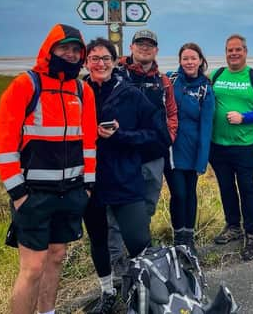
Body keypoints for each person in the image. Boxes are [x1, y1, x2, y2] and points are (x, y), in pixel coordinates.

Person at [0, 24, 97, 314]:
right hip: (34, 194)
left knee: (56, 256)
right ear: (50, 49)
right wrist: (18, 193)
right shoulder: (25, 85)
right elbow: (3, 145)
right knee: (33, 267)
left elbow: (89, 142)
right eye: (64, 48)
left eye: (77, 50)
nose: (71, 54)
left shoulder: (82, 90)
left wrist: (87, 186)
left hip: (71, 191)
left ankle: (47, 312)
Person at [82, 38, 171, 313]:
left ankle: (150, 299)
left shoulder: (131, 94)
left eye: (106, 58)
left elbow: (160, 136)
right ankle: (108, 293)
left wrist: (122, 135)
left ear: (115, 61)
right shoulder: (78, 93)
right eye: (94, 58)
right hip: (89, 182)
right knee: (99, 242)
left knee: (139, 242)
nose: (100, 63)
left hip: (125, 180)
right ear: (86, 62)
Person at [110, 29, 177, 274]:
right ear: (131, 47)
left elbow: (171, 113)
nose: (145, 48)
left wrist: (167, 139)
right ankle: (116, 263)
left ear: (156, 50)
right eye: (140, 43)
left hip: (152, 156)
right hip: (121, 156)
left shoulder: (163, 80)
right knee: (117, 208)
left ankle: (139, 255)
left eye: (150, 44)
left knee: (147, 206)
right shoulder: (116, 74)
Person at [209, 34, 253, 261]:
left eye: (237, 50)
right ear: (225, 52)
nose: (233, 54)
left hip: (244, 146)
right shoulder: (217, 74)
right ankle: (233, 226)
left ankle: (250, 232)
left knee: (246, 189)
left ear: (245, 51)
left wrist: (244, 117)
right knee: (226, 188)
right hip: (217, 146)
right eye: (229, 50)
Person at [166, 43, 215, 256]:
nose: (189, 62)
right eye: (185, 58)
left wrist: (202, 159)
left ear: (200, 60)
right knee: (178, 193)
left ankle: (189, 238)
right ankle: (178, 238)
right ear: (180, 60)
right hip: (171, 148)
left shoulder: (205, 88)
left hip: (194, 149)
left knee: (190, 194)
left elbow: (206, 126)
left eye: (193, 58)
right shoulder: (170, 80)